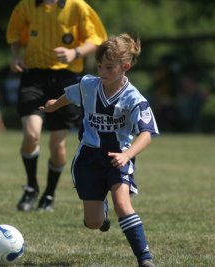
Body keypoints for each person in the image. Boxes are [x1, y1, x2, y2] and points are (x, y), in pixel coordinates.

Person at [40, 33, 158, 267]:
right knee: (93, 223)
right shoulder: (89, 85)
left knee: (123, 204)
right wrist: (55, 105)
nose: (102, 72)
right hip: (88, 158)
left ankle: (145, 258)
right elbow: (71, 95)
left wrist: (127, 155)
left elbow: (146, 134)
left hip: (118, 157)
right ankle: (100, 213)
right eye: (100, 66)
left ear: (125, 66)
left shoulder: (134, 99)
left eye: (109, 68)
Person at [6, 0, 107, 211]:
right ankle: (31, 186)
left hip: (67, 78)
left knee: (57, 146)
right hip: (34, 76)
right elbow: (15, 34)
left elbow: (97, 40)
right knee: (31, 135)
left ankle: (49, 195)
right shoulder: (26, 6)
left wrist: (75, 52)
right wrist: (15, 56)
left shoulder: (78, 7)